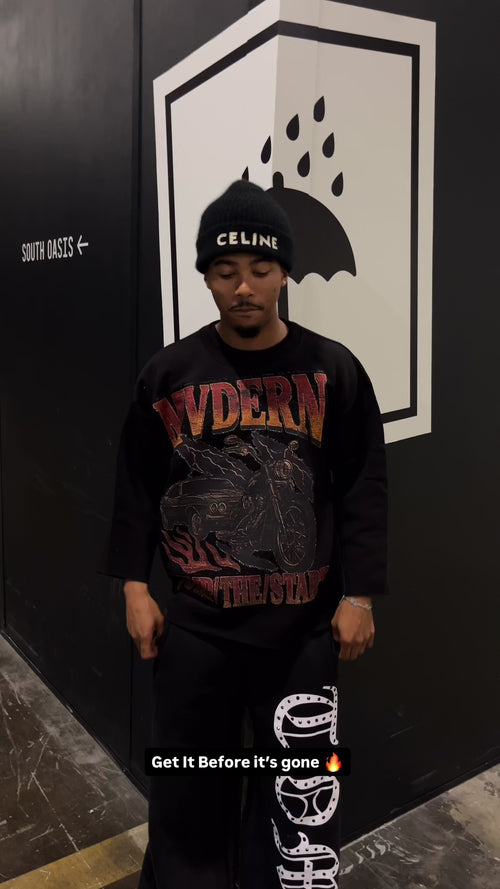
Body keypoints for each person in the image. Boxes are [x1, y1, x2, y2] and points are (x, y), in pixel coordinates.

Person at [103, 179, 388, 889]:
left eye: (260, 269)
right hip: (195, 631)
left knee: (298, 798)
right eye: (226, 270)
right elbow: (136, 485)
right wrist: (135, 587)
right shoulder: (168, 374)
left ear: (284, 272)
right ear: (205, 277)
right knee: (187, 793)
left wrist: (361, 596)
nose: (243, 287)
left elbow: (363, 485)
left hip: (303, 633)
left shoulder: (334, 369)